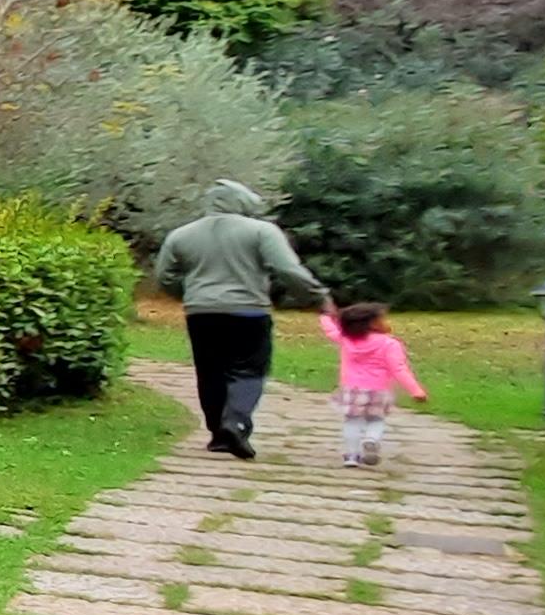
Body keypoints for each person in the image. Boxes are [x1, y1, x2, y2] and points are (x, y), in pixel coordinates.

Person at [151, 179, 324, 460]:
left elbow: (164, 277)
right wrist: (318, 296)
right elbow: (287, 269)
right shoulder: (261, 231)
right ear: (244, 202)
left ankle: (219, 435)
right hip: (249, 311)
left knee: (210, 371)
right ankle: (236, 421)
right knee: (249, 368)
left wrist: (190, 293)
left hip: (201, 312)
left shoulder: (181, 235)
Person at [324, 300, 428, 467]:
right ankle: (371, 440)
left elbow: (330, 330)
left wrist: (325, 314)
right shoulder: (389, 344)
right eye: (382, 319)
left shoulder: (346, 339)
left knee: (352, 421)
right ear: (372, 323)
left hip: (352, 389)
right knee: (376, 420)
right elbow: (399, 369)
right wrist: (416, 390)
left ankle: (351, 456)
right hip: (379, 390)